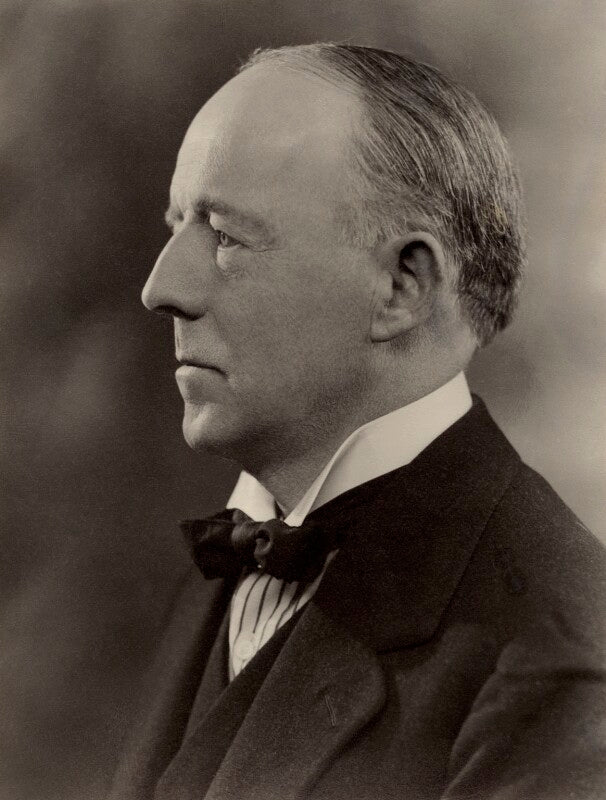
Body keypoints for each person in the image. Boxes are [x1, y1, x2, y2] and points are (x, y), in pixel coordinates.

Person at [109, 43, 606, 800]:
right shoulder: (218, 575)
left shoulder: (559, 658)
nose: (160, 288)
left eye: (226, 235)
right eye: (178, 225)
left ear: (402, 286)